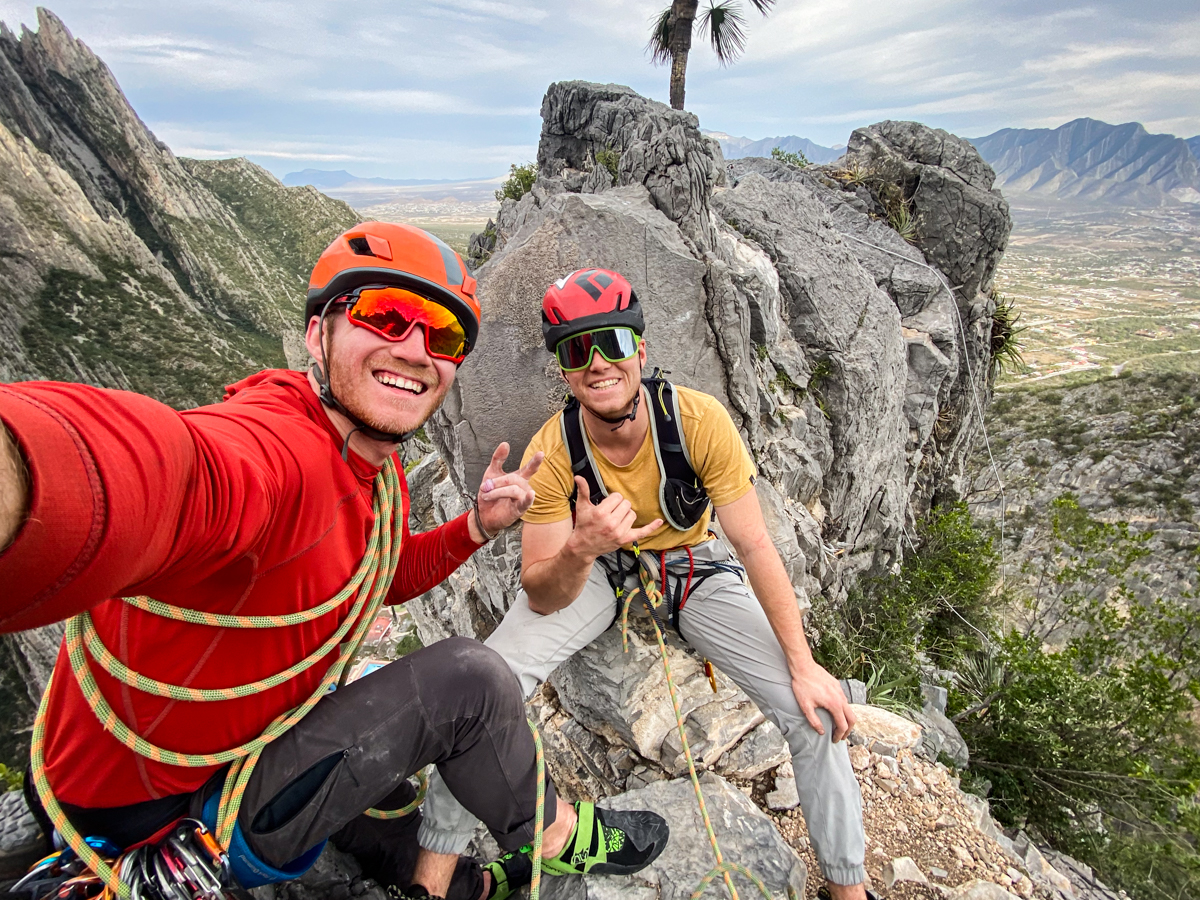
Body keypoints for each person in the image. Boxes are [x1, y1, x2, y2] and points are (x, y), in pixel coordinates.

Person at [0, 229, 668, 900]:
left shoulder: (375, 473)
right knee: (470, 680)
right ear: (318, 334)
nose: (414, 349)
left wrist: (473, 527)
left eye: (442, 336)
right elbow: (154, 470)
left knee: (392, 777)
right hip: (158, 812)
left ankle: (444, 881)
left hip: (184, 763)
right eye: (383, 315)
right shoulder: (276, 448)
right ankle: (556, 837)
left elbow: (379, 573)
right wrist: (27, 479)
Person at [422, 269, 876, 900]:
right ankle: (430, 882)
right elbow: (543, 593)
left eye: (612, 342)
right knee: (481, 685)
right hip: (599, 573)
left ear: (639, 347)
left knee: (815, 715)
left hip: (693, 569)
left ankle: (847, 889)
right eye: (577, 350)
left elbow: (754, 544)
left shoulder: (697, 421)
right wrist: (582, 547)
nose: (599, 364)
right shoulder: (554, 449)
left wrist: (803, 666)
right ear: (562, 369)